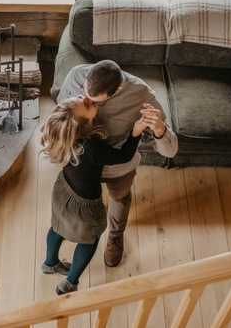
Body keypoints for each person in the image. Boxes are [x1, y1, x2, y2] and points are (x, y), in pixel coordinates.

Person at [56, 60, 177, 268]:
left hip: (117, 167)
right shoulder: (75, 75)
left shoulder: (142, 97)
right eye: (83, 94)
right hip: (78, 164)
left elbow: (170, 151)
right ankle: (69, 228)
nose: (86, 101)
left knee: (120, 198)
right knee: (74, 200)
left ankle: (115, 235)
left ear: (118, 89)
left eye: (96, 102)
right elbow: (61, 110)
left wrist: (160, 130)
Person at [40, 96, 151, 294]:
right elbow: (123, 156)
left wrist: (85, 104)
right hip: (85, 206)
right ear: (82, 124)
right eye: (87, 104)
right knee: (89, 240)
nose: (86, 98)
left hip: (63, 190)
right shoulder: (92, 148)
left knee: (57, 227)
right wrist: (135, 133)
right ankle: (70, 283)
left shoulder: (63, 136)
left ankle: (50, 264)